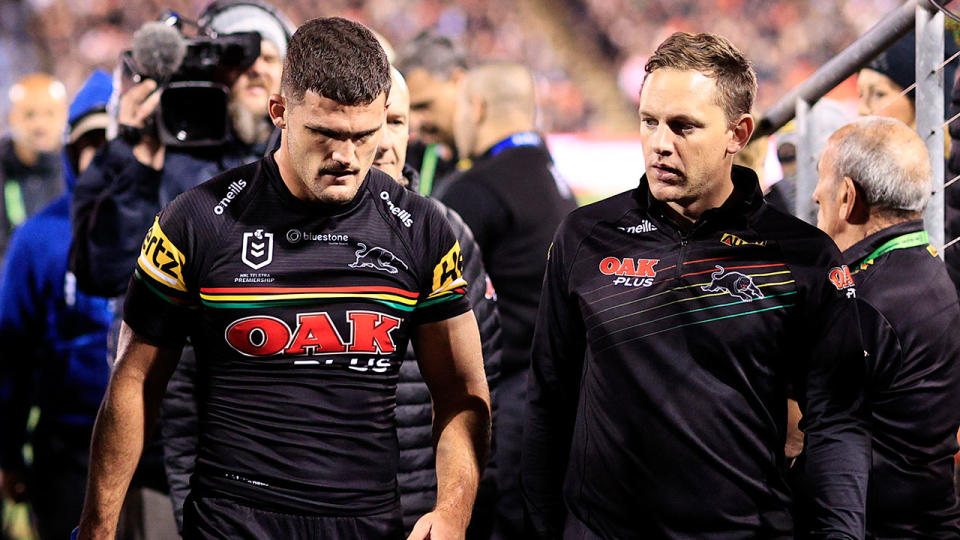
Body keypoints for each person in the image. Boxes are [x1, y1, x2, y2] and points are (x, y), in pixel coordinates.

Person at [76, 17, 491, 540]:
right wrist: (98, 525)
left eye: (364, 135)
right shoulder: (196, 220)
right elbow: (135, 381)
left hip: (366, 525)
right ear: (280, 113)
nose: (346, 157)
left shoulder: (424, 228)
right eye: (326, 134)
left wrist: (454, 509)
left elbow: (461, 390)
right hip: (232, 523)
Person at [521, 32, 870, 539]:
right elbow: (549, 397)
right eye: (649, 121)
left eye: (684, 126)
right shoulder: (584, 236)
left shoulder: (804, 258)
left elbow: (838, 420)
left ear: (738, 133)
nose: (661, 143)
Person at [440, 61, 577, 540]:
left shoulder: (478, 188)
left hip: (507, 402)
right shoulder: (549, 175)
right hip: (554, 394)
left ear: (475, 109)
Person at [812, 116, 960, 538]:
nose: (813, 192)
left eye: (822, 181)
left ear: (846, 196)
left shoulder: (864, 301)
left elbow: (800, 434)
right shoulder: (927, 268)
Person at [375, 65, 503, 538]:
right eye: (375, 122)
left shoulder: (447, 234)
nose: (385, 142)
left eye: (398, 122)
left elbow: (482, 390)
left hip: (420, 518)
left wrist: (458, 509)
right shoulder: (267, 237)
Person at [0, 70, 114, 540]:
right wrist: (9, 453)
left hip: (158, 454)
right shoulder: (39, 238)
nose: (106, 158)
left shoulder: (180, 222)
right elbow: (13, 353)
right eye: (92, 143)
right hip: (67, 449)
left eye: (118, 140)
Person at [0, 72, 68, 263]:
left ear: (64, 116)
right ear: (11, 117)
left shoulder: (77, 169)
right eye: (29, 115)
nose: (40, 125)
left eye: (49, 113)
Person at [395, 31, 467, 196]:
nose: (414, 122)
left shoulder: (498, 159)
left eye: (424, 106)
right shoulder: (414, 157)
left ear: (459, 81)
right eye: (408, 110)